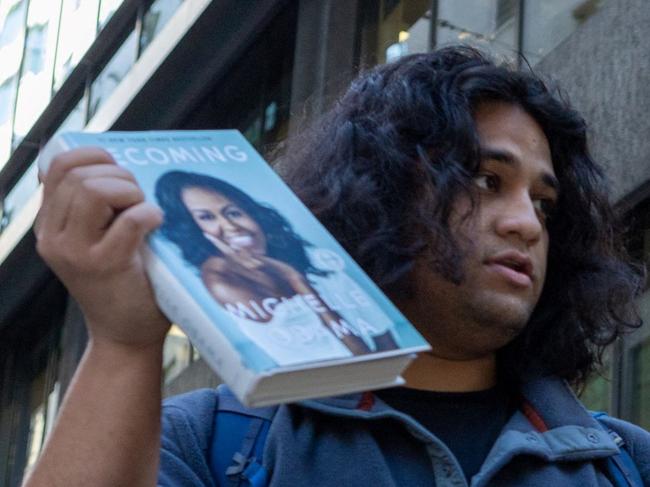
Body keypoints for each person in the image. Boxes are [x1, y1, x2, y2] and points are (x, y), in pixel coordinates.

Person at [25, 46, 650, 486]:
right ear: (379, 190)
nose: (527, 223)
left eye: (544, 203)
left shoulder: (628, 463)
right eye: (487, 180)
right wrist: (123, 344)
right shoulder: (214, 440)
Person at [154, 170, 397, 360]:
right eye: (207, 218)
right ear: (195, 230)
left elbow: (388, 347)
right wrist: (296, 280)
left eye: (233, 212)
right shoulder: (222, 280)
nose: (229, 227)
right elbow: (360, 358)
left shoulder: (315, 257)